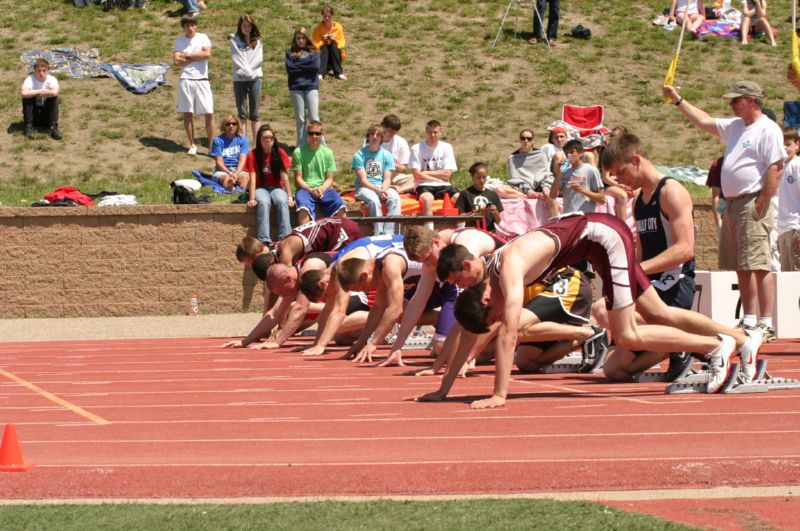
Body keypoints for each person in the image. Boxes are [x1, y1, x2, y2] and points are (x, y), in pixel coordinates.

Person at [423, 212, 760, 408]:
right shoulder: (490, 282)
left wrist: (499, 394)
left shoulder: (507, 269)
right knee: (659, 313)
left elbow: (508, 331)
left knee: (627, 335)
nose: (461, 289)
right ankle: (741, 339)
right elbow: (468, 335)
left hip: (603, 239)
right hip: (597, 242)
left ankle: (715, 346)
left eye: (493, 315)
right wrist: (443, 389)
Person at [663, 81, 784, 342]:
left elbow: (776, 167)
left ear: (751, 100)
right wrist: (678, 101)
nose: (730, 104)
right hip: (732, 203)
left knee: (759, 263)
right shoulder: (736, 126)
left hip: (751, 201)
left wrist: (762, 202)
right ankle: (750, 318)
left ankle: (765, 322)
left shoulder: (767, 129)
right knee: (741, 263)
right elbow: (705, 121)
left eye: (735, 100)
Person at [598, 134, 703, 382]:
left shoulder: (671, 192)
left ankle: (697, 341)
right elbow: (641, 252)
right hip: (653, 286)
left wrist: (637, 271)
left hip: (676, 283)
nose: (621, 180)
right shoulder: (639, 202)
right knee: (613, 370)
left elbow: (685, 249)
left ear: (636, 160)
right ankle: (675, 346)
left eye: (621, 172)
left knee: (603, 310)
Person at [386, 225, 505, 370]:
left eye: (429, 258)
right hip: (491, 292)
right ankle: (492, 343)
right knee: (444, 348)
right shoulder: (436, 256)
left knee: (446, 347)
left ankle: (498, 341)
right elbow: (418, 301)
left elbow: (474, 302)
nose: (429, 264)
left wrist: (469, 355)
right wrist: (397, 347)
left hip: (509, 291)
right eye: (423, 262)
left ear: (436, 242)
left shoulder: (465, 245)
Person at [298, 234, 406, 356]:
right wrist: (316, 343)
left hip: (403, 255)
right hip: (395, 254)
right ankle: (388, 323)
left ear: (323, 283)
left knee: (400, 311)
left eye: (325, 296)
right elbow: (329, 309)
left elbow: (339, 311)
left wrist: (321, 346)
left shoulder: (343, 269)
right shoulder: (337, 266)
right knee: (340, 337)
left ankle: (390, 324)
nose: (327, 299)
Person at [173, 14, 215, 156]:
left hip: (202, 79)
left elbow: (207, 55)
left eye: (192, 25)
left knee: (209, 113)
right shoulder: (179, 42)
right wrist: (197, 56)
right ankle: (192, 144)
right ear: (184, 27)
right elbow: (177, 61)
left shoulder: (203, 37)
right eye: (187, 25)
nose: (190, 28)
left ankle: (211, 145)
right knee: (187, 113)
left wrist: (188, 55)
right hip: (186, 79)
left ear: (195, 25)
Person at [245, 125, 294, 246]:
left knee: (282, 201)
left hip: (276, 187)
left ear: (274, 139)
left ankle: (285, 237)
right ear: (259, 140)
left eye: (270, 138)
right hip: (260, 187)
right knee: (264, 202)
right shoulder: (252, 154)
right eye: (265, 138)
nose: (268, 140)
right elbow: (252, 177)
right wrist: (251, 198)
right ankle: (264, 239)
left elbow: (284, 176)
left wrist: (289, 196)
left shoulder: (280, 152)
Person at [292, 120, 345, 226]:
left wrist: (321, 189)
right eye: (311, 133)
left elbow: (330, 178)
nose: (314, 136)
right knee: (303, 207)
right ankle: (305, 237)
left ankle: (341, 236)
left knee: (341, 205)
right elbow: (298, 178)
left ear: (322, 134)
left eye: (317, 133)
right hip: (305, 189)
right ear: (307, 134)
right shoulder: (298, 152)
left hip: (324, 189)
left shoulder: (328, 153)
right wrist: (310, 189)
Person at [409, 120, 459, 230]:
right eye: (430, 132)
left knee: (459, 198)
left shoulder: (447, 147)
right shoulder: (417, 148)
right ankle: (429, 231)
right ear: (426, 132)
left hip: (444, 185)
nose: (433, 135)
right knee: (427, 199)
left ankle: (460, 228)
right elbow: (417, 175)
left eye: (435, 132)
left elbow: (447, 173)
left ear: (440, 133)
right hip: (424, 185)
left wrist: (426, 172)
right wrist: (434, 178)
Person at [352, 124, 400, 235]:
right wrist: (377, 190)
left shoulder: (387, 155)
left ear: (381, 138)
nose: (374, 137)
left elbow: (387, 178)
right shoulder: (359, 155)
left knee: (395, 198)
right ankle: (378, 233)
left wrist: (383, 189)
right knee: (374, 200)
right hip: (364, 188)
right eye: (372, 134)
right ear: (368, 136)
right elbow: (363, 181)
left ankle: (389, 234)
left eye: (378, 135)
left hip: (381, 186)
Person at [285, 28, 321, 147]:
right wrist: (307, 67)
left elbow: (315, 66)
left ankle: (320, 145)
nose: (301, 40)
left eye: (303, 38)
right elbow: (290, 69)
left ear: (307, 38)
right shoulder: (290, 53)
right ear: (295, 39)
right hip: (296, 87)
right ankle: (301, 146)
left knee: (314, 117)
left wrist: (298, 66)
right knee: (300, 119)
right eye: (298, 38)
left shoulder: (314, 51)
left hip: (311, 87)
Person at [549, 139, 604, 214]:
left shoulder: (591, 170)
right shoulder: (564, 172)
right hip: (568, 217)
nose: (569, 155)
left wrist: (582, 190)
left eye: (572, 152)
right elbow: (552, 195)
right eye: (566, 153)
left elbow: (602, 199)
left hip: (586, 216)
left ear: (581, 153)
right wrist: (559, 173)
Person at [230, 14, 263, 140]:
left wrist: (249, 71)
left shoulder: (258, 40)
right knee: (242, 113)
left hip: (255, 78)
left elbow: (258, 58)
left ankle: (256, 144)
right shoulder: (234, 39)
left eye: (249, 25)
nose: (246, 28)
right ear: (240, 26)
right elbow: (236, 58)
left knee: (255, 113)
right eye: (244, 25)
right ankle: (244, 143)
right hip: (239, 79)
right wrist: (246, 70)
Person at [500, 129, 554, 203]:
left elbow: (546, 173)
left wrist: (545, 187)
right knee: (500, 189)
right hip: (522, 188)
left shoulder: (541, 155)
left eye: (529, 139)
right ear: (520, 140)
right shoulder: (513, 158)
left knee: (557, 183)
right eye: (523, 138)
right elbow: (515, 179)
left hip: (540, 185)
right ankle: (528, 196)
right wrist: (528, 190)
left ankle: (536, 194)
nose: (526, 141)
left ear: (533, 141)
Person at [777, 127, 800, 272]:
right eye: (782, 144)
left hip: (795, 226)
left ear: (797, 144)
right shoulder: (779, 168)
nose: (785, 148)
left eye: (788, 144)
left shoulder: (797, 165)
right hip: (782, 228)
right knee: (785, 275)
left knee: (796, 274)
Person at [20, 58, 61, 140]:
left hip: (47, 115)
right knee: (27, 98)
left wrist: (34, 92)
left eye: (44, 70)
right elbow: (23, 93)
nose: (41, 73)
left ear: (48, 71)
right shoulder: (29, 79)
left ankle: (53, 128)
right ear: (34, 70)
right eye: (38, 70)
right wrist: (40, 91)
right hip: (34, 114)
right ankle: (29, 127)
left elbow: (54, 92)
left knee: (54, 98)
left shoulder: (52, 79)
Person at [455, 162, 503, 233]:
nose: (482, 180)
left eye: (484, 177)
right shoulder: (465, 193)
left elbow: (498, 221)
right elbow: (459, 217)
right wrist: (476, 213)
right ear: (471, 176)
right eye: (478, 177)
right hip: (471, 231)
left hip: (490, 232)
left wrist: (495, 212)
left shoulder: (493, 194)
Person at [598, 125, 632, 220]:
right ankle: (623, 228)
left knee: (639, 192)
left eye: (615, 136)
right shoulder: (606, 152)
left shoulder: (626, 152)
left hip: (621, 182)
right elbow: (605, 177)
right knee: (622, 196)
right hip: (606, 185)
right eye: (611, 136)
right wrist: (621, 186)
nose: (612, 139)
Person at [210, 115, 249, 191]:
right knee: (225, 179)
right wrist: (230, 173)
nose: (231, 126)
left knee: (243, 178)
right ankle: (230, 186)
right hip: (222, 170)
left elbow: (242, 160)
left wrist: (236, 173)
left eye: (234, 124)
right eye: (228, 124)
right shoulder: (217, 140)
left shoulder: (243, 140)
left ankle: (241, 189)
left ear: (237, 126)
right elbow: (219, 162)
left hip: (239, 170)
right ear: (224, 126)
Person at [380, 114, 414, 194]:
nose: (392, 134)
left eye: (394, 132)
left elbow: (404, 167)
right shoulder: (373, 139)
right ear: (382, 126)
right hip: (378, 175)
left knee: (418, 179)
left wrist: (399, 167)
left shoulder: (401, 142)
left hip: (395, 176)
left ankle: (398, 189)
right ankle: (392, 188)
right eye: (390, 131)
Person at [312, 6, 347, 80]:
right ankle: (321, 73)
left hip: (335, 56)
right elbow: (315, 45)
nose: (327, 18)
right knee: (324, 47)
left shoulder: (338, 27)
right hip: (322, 57)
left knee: (334, 45)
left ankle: (338, 73)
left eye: (329, 16)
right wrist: (323, 41)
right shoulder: (318, 29)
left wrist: (335, 40)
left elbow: (342, 44)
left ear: (332, 16)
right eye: (325, 16)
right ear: (322, 16)